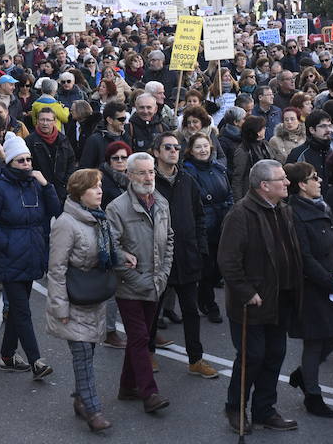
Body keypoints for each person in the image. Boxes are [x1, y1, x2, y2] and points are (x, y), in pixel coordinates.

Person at [218, 159, 302, 433]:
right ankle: (235, 407)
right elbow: (228, 260)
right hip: (253, 302)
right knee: (251, 356)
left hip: (281, 297)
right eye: (281, 179)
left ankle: (265, 410)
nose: (287, 182)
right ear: (264, 186)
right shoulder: (240, 214)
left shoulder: (283, 210)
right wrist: (246, 291)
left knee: (275, 354)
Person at [0, 134, 59, 379]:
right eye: (21, 161)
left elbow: (57, 211)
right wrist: (7, 244)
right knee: (22, 310)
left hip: (32, 254)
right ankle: (36, 361)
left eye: (28, 160)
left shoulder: (36, 184)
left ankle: (7, 355)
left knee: (17, 309)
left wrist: (47, 185)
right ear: (10, 163)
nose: (27, 164)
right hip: (9, 257)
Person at [46, 169, 117, 432]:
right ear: (79, 193)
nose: (100, 191)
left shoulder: (99, 218)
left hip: (93, 295)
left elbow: (107, 251)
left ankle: (79, 398)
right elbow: (56, 268)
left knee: (90, 350)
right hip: (74, 297)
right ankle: (93, 409)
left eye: (100, 186)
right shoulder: (66, 223)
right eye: (93, 187)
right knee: (83, 354)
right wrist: (59, 308)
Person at [146, 133, 218, 378]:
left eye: (177, 147)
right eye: (168, 147)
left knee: (190, 310)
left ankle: (195, 359)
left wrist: (200, 248)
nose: (173, 151)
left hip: (186, 255)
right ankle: (148, 353)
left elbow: (199, 216)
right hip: (158, 258)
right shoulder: (148, 182)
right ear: (156, 152)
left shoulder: (187, 180)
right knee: (153, 311)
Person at [108, 152, 173, 413]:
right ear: (129, 176)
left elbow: (169, 239)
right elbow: (112, 249)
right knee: (140, 338)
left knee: (138, 338)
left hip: (155, 283)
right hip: (129, 286)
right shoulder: (116, 208)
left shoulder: (162, 202)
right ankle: (150, 393)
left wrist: (164, 274)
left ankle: (127, 386)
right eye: (142, 173)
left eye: (151, 172)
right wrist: (136, 278)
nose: (148, 177)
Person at [284, 161, 333, 418]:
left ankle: (303, 374)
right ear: (301, 185)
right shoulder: (294, 213)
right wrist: (329, 280)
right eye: (313, 178)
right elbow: (304, 256)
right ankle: (313, 394)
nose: (319, 180)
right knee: (316, 340)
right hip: (312, 287)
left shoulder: (323, 205)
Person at [183, 132, 232, 324]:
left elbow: (229, 193)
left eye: (205, 146)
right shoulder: (188, 171)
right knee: (207, 268)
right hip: (204, 226)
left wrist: (230, 210)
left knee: (221, 268)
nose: (203, 150)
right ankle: (209, 304)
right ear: (191, 150)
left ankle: (203, 294)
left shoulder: (219, 168)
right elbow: (195, 200)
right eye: (198, 147)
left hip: (223, 225)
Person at [25, 106, 77, 204]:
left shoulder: (63, 140)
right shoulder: (29, 141)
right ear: (37, 121)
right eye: (42, 120)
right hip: (38, 190)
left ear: (54, 121)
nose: (45, 123)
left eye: (48, 120)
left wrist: (65, 184)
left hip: (61, 191)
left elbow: (71, 161)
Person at [231, 115, 275, 200]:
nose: (265, 129)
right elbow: (238, 178)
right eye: (263, 128)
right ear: (257, 132)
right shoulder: (243, 150)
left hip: (269, 190)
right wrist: (239, 201)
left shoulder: (265, 144)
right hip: (251, 194)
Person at [79, 102, 131, 169]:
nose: (124, 122)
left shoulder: (126, 137)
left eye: (125, 118)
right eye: (121, 119)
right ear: (109, 120)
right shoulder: (94, 140)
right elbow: (86, 167)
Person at [287, 109, 332, 182]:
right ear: (312, 130)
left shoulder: (332, 152)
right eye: (323, 126)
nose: (328, 130)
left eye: (329, 126)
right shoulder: (298, 154)